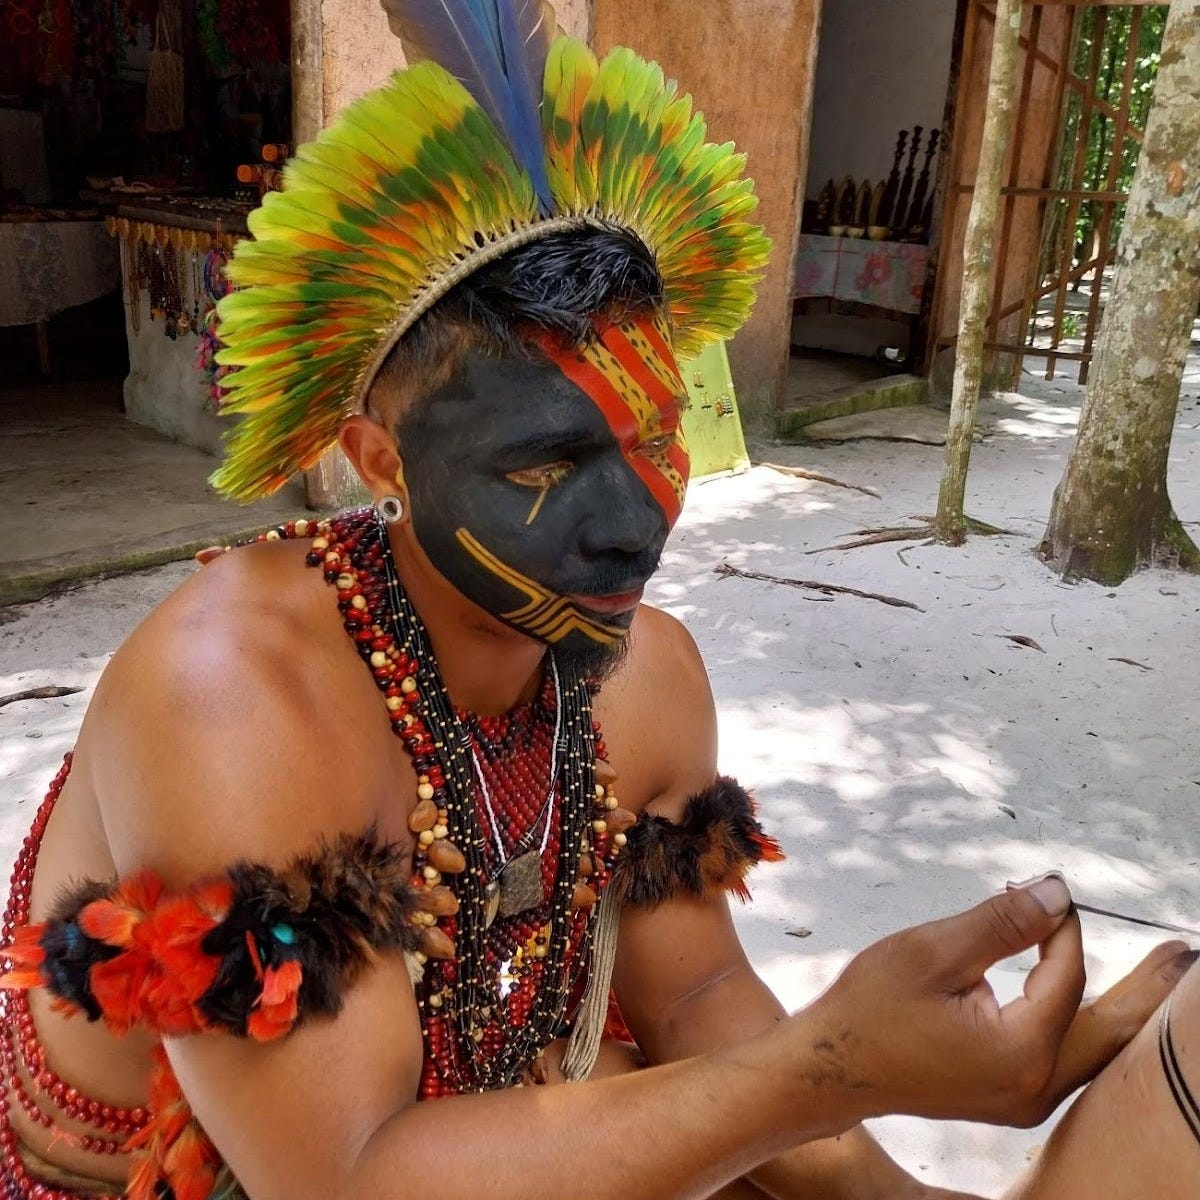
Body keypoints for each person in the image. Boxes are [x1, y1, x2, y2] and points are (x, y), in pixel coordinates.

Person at [1, 6, 1195, 1199]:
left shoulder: (647, 678)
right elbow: (350, 1175)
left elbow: (699, 999)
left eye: (656, 437)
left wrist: (905, 1191)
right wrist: (838, 1068)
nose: (640, 521)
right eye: (547, 464)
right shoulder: (237, 696)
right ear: (380, 462)